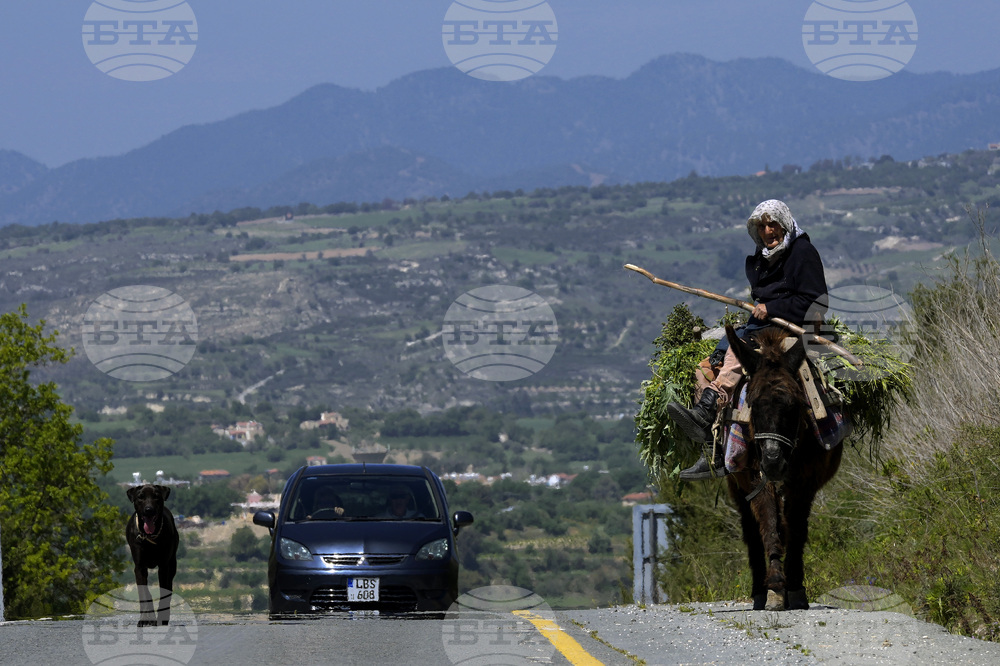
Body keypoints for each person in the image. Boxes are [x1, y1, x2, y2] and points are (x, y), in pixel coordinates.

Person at [667, 199, 828, 480]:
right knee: (703, 368)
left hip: (794, 330)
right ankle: (714, 448)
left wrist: (772, 309)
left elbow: (816, 301)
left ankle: (707, 408)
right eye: (762, 226)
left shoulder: (803, 252)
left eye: (773, 225)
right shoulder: (762, 257)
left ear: (784, 224)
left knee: (733, 357)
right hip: (763, 327)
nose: (768, 231)